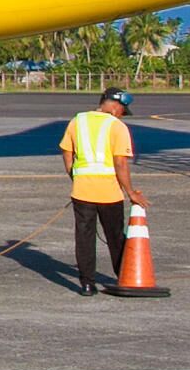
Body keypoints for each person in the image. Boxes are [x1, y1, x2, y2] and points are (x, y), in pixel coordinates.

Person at [60, 90, 141, 296]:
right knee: (115, 237)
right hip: (109, 193)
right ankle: (124, 276)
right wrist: (130, 192)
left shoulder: (77, 121)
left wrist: (74, 175)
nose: (122, 114)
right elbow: (120, 163)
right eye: (123, 110)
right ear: (114, 106)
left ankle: (87, 284)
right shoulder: (117, 127)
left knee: (84, 238)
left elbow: (67, 152)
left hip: (82, 191)